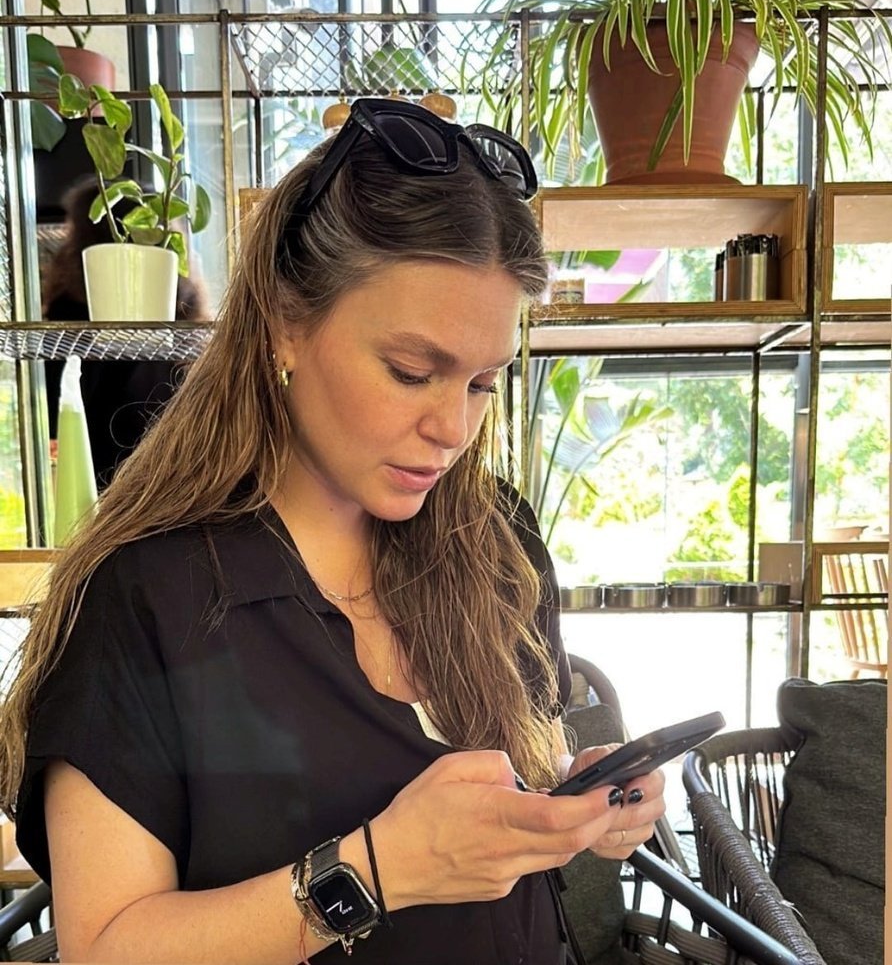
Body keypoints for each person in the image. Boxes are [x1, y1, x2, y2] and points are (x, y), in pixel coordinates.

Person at [0, 98, 666, 965]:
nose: (453, 430)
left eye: (481, 383)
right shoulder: (152, 600)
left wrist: (576, 806)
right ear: (287, 321)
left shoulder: (497, 543)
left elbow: (512, 792)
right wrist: (380, 870)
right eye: (411, 371)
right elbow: (108, 948)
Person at [41, 177, 210, 489]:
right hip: (180, 487)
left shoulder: (69, 319)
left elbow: (52, 418)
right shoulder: (184, 315)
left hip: (101, 490)